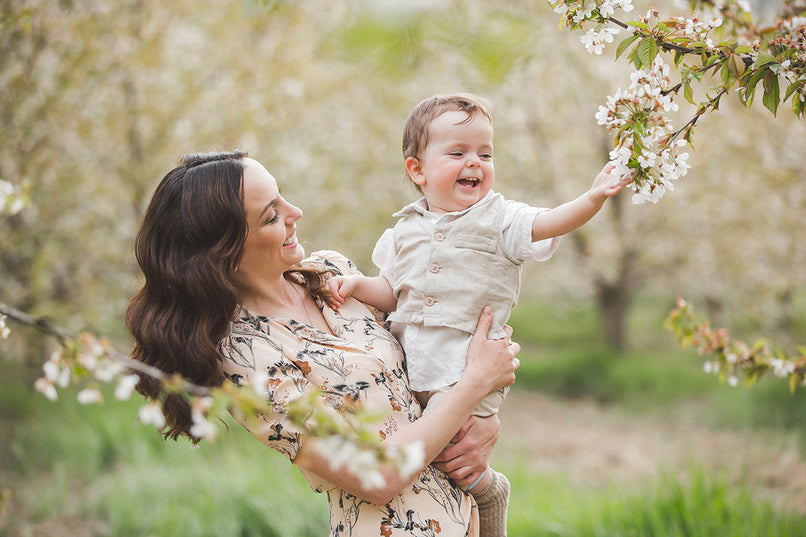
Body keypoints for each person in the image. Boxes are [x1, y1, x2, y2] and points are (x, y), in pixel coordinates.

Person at [126, 150, 520, 537]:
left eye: (282, 196)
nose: (294, 212)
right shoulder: (244, 358)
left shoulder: (332, 273)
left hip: (468, 518)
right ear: (225, 251)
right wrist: (475, 385)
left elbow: (429, 349)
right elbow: (375, 476)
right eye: (271, 216)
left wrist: (486, 417)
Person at [326, 93, 632, 531]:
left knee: (455, 458)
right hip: (416, 366)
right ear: (418, 170)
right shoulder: (403, 231)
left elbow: (549, 221)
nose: (475, 163)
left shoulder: (501, 218)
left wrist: (593, 198)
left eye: (485, 153)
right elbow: (394, 291)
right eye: (458, 152)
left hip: (463, 367)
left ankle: (491, 496)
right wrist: (359, 285)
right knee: (431, 464)